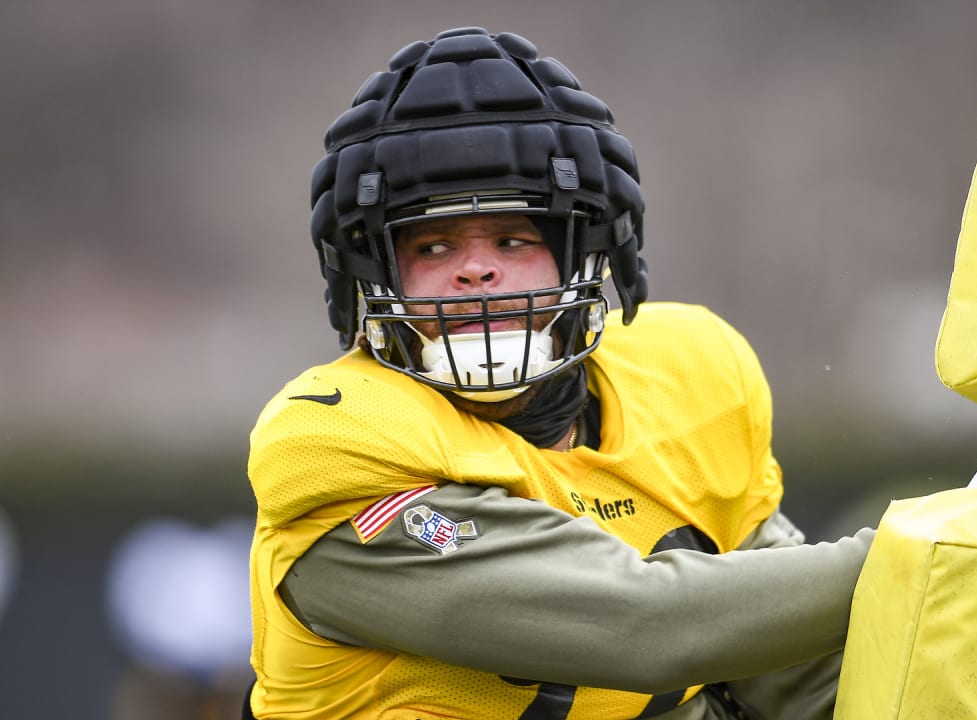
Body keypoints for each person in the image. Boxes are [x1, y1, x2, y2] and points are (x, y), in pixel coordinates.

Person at [246, 27, 876, 720]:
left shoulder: (687, 381)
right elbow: (647, 624)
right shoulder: (338, 444)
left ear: (586, 255)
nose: (476, 270)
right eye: (433, 244)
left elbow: (805, 680)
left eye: (513, 239)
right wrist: (943, 549)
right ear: (374, 274)